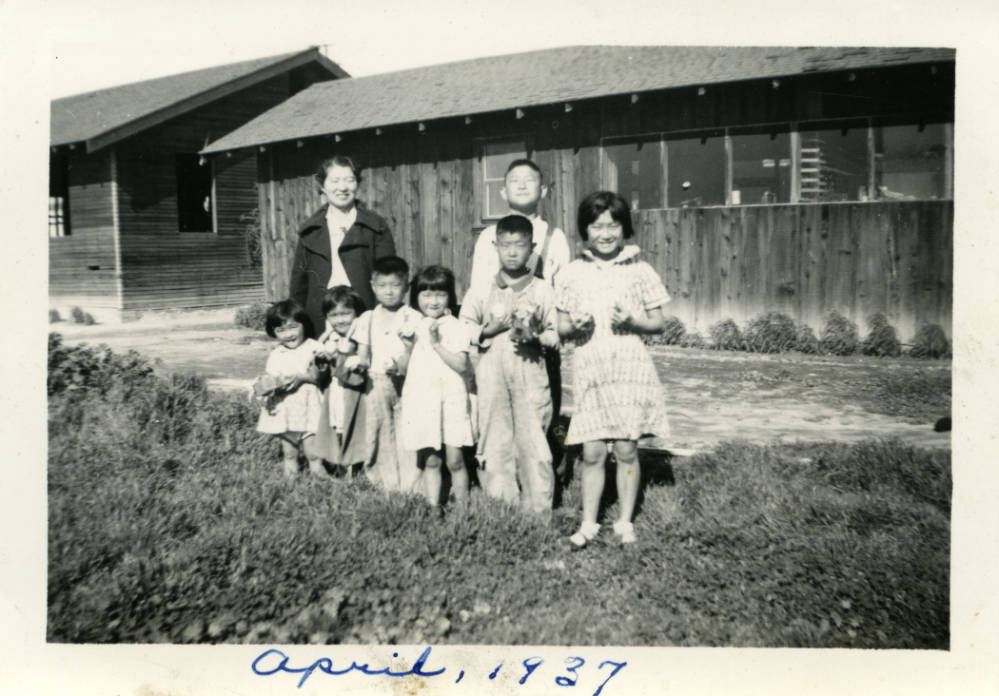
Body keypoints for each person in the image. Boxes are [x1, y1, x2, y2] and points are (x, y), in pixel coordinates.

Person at [555, 191, 672, 547]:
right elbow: (560, 327)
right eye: (596, 225)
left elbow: (660, 322)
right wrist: (575, 325)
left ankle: (624, 521)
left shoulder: (640, 270)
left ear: (624, 228)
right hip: (591, 367)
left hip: (629, 368)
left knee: (626, 449)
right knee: (591, 451)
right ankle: (589, 522)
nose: (605, 233)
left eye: (612, 225)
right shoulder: (573, 272)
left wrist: (634, 320)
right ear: (585, 230)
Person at [466, 157, 571, 480]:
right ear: (502, 192)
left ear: (544, 189)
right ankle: (498, 471)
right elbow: (479, 288)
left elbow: (563, 290)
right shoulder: (488, 237)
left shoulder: (555, 236)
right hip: (497, 336)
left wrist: (547, 329)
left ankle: (548, 467)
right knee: (496, 405)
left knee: (542, 403)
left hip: (538, 339)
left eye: (530, 180)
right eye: (514, 180)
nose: (522, 185)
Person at [460, 215, 558, 514]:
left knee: (533, 438)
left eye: (520, 245)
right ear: (495, 247)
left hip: (530, 373)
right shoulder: (481, 289)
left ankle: (537, 508)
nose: (513, 252)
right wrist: (485, 331)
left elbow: (556, 333)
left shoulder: (542, 289)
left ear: (532, 248)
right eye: (506, 245)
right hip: (490, 373)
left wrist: (537, 337)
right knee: (494, 436)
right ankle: (501, 504)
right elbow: (463, 327)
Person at [290, 155, 396, 336]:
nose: (342, 187)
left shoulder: (375, 226)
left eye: (349, 180)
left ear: (357, 184)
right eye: (335, 181)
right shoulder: (310, 229)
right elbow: (299, 284)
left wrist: (383, 317)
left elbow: (389, 276)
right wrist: (295, 321)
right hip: (321, 318)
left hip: (365, 315)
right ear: (323, 186)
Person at [399, 266, 476, 507]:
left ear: (449, 297)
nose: (433, 301)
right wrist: (409, 346)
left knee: (455, 460)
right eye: (426, 295)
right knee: (431, 460)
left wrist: (435, 343)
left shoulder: (456, 326)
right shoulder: (413, 325)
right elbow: (402, 369)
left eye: (440, 294)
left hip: (451, 399)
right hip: (423, 400)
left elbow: (463, 366)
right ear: (416, 297)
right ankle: (434, 509)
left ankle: (463, 513)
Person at [349, 256, 423, 492]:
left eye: (395, 286)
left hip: (408, 381)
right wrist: (359, 363)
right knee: (378, 429)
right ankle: (382, 481)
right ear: (373, 286)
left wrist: (403, 365)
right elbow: (363, 352)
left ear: (406, 288)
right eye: (382, 286)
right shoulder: (368, 318)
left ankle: (410, 484)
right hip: (376, 381)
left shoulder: (414, 317)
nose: (389, 292)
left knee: (407, 431)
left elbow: (420, 354)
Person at [253, 300, 324, 478]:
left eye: (293, 327)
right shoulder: (277, 354)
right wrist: (269, 386)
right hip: (287, 408)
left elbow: (318, 376)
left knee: (314, 452)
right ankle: (290, 481)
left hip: (310, 406)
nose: (288, 334)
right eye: (281, 330)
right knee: (290, 452)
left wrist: (301, 377)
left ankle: (319, 478)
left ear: (304, 325)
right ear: (273, 332)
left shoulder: (314, 347)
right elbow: (270, 379)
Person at [313, 285, 367, 476]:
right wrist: (323, 348)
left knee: (355, 428)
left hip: (354, 393)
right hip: (335, 391)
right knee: (336, 426)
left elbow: (355, 374)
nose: (340, 320)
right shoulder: (331, 338)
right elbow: (318, 371)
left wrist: (336, 358)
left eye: (346, 314)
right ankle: (339, 466)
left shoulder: (359, 340)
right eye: (334, 315)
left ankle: (356, 468)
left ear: (357, 315)